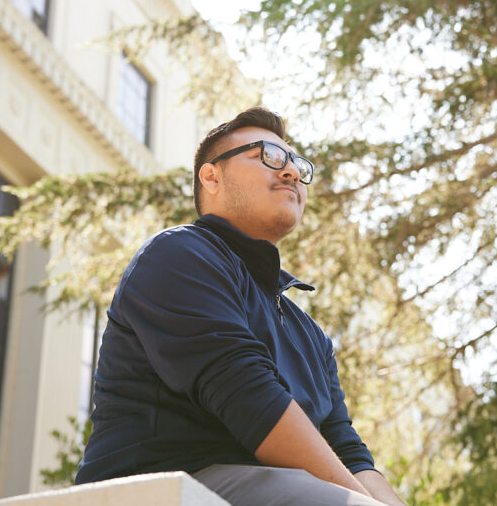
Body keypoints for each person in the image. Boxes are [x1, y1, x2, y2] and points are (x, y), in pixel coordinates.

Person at [74, 107, 406, 505]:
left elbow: (348, 452)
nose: (291, 173)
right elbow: (250, 399)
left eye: (297, 165)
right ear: (211, 176)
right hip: (168, 485)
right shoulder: (178, 255)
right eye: (267, 156)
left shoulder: (311, 336)